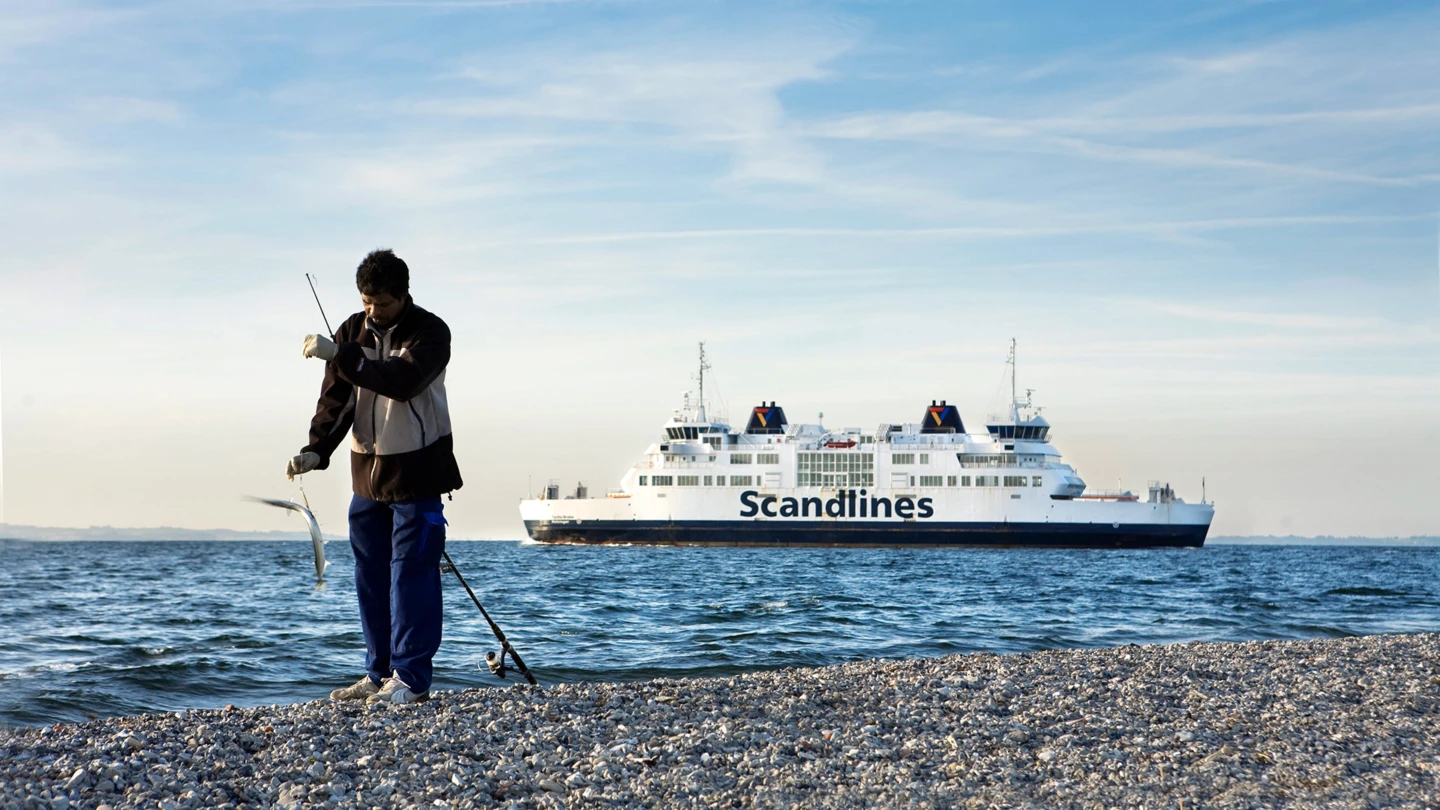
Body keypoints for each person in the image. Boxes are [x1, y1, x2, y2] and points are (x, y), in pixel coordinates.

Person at [288, 248, 463, 705]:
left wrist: (343, 354)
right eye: (366, 301)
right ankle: (378, 673)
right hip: (366, 475)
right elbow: (336, 400)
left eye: (381, 303)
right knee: (371, 575)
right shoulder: (351, 331)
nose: (372, 311)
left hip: (419, 472)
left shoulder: (431, 332)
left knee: (412, 574)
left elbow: (401, 381)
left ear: (403, 295)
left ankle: (411, 678)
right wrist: (315, 450)